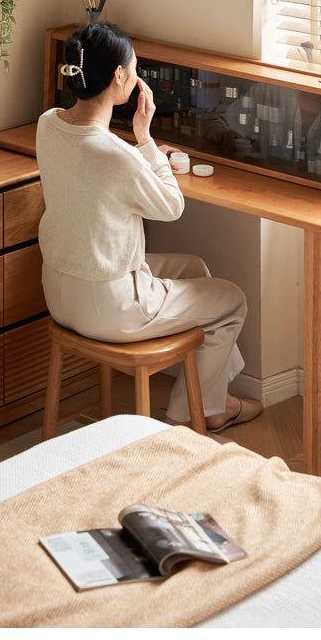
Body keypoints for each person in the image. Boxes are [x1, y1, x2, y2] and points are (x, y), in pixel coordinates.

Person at [36, 22, 262, 432]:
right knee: (232, 299)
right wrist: (146, 139)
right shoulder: (117, 157)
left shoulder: (48, 124)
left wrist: (141, 153)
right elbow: (172, 205)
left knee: (194, 268)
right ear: (119, 77)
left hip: (59, 291)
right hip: (110, 308)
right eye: (134, 68)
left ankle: (214, 397)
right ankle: (185, 418)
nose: (138, 76)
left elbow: (95, 155)